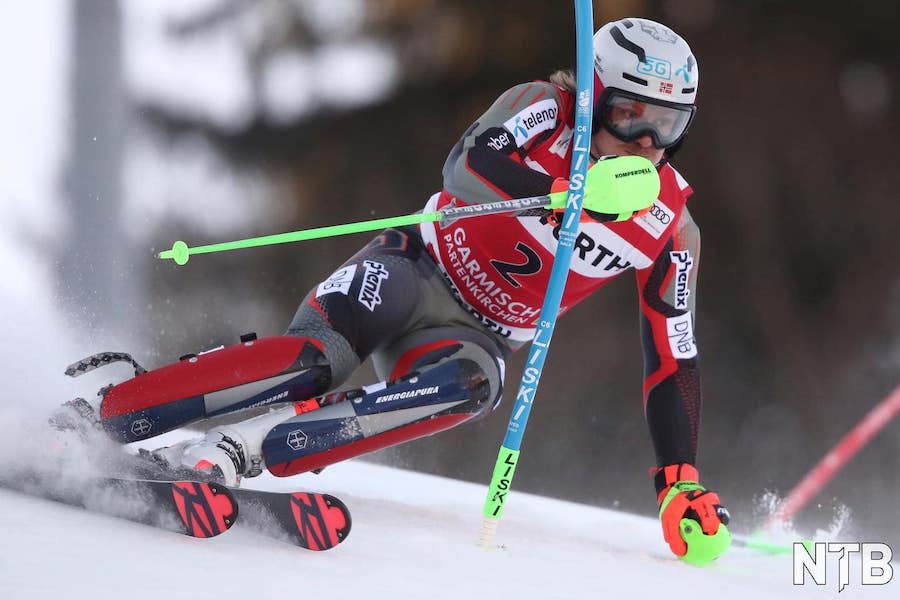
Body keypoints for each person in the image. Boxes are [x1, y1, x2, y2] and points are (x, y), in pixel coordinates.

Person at [62, 17, 729, 561]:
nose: (646, 143)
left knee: (475, 386)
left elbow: (671, 354)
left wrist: (680, 481)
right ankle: (103, 410)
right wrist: (563, 196)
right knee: (311, 363)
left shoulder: (670, 226)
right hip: (414, 267)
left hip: (472, 334)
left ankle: (233, 451)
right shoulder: (545, 111)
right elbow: (469, 167)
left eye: (667, 126)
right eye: (630, 115)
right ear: (593, 97)